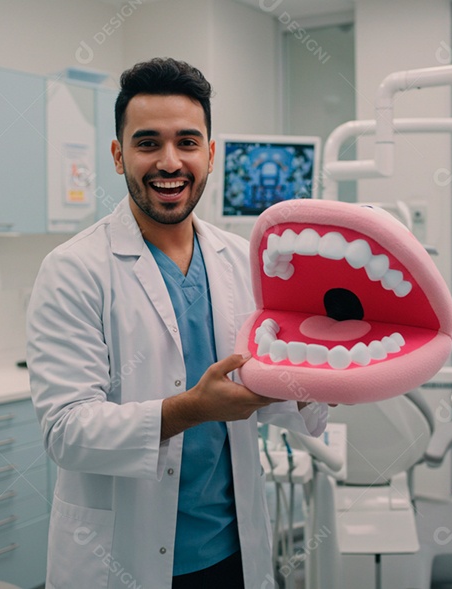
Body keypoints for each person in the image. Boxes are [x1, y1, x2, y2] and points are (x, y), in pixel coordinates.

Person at [26, 57, 328, 589]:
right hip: (125, 557)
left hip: (232, 550)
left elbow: (275, 393)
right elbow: (66, 431)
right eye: (148, 144)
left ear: (210, 154)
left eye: (187, 142)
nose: (170, 162)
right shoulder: (74, 269)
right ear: (119, 156)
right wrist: (191, 409)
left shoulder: (244, 261)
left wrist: (321, 370)